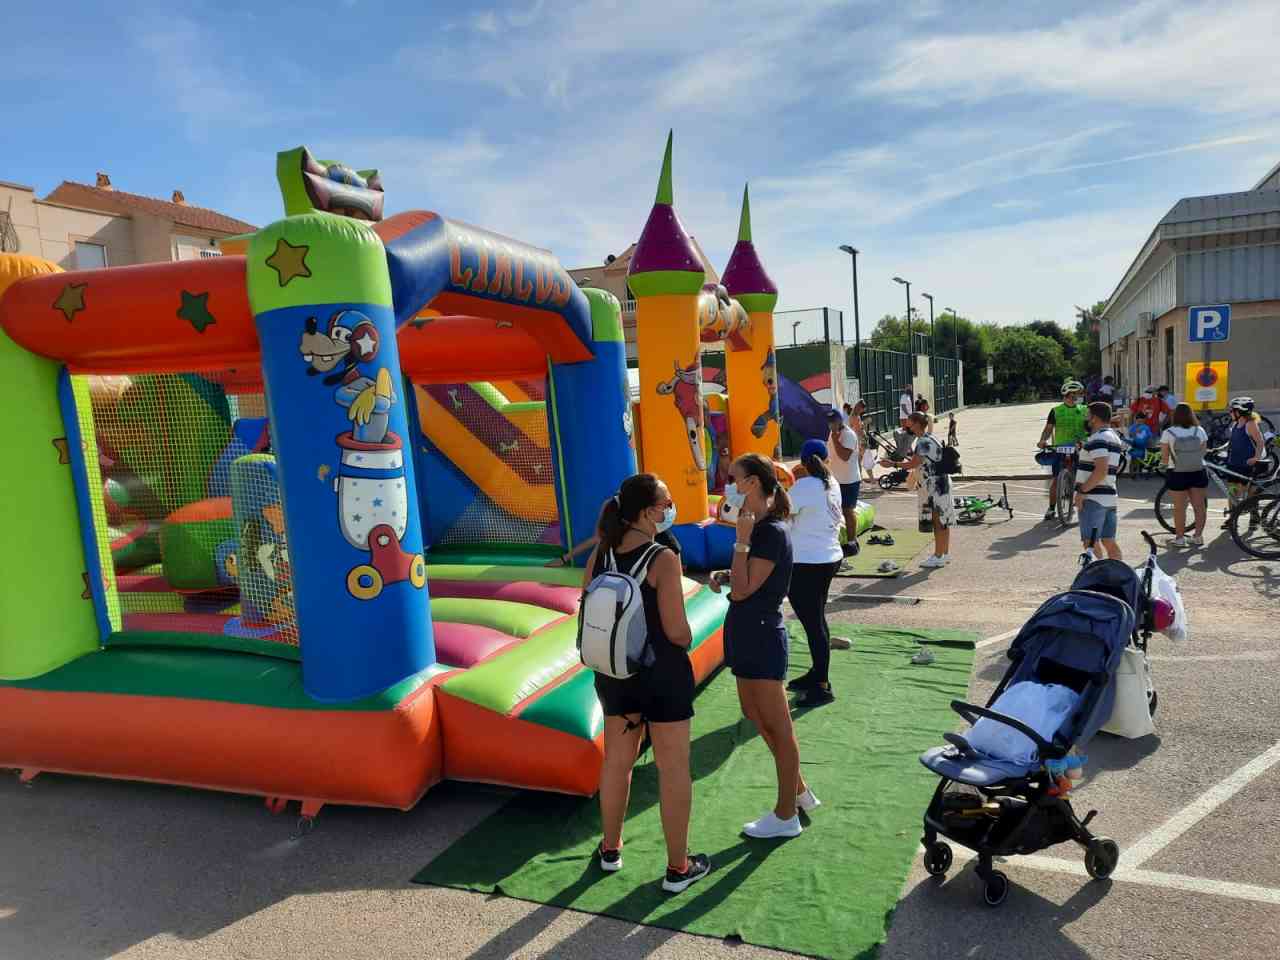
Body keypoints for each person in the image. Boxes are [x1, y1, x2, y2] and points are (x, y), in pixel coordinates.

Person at [582, 474, 710, 893]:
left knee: (617, 763)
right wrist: (688, 637)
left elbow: (588, 608)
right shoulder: (662, 558)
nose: (670, 509)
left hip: (615, 673)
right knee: (673, 769)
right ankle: (678, 868)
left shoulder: (602, 552)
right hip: (662, 675)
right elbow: (676, 631)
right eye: (665, 503)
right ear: (646, 512)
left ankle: (610, 849)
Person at [716, 452, 817, 839]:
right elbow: (747, 580)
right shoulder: (757, 527)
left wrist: (740, 543)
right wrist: (727, 573)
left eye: (734, 478)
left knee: (779, 726)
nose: (728, 486)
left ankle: (786, 814)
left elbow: (745, 590)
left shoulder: (769, 531)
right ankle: (800, 791)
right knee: (752, 711)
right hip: (746, 630)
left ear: (752, 483)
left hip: (760, 633)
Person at [785, 440, 845, 705]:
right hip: (827, 558)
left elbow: (781, 511)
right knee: (817, 620)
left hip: (807, 563)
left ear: (802, 463)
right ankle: (818, 674)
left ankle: (822, 685)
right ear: (826, 459)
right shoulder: (831, 483)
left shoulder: (805, 486)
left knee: (813, 624)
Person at [887, 411, 957, 568]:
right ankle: (944, 553)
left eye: (909, 423)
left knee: (938, 521)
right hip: (942, 482)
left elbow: (913, 463)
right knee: (943, 521)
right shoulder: (930, 437)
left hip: (935, 486)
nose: (907, 426)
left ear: (917, 424)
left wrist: (892, 464)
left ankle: (938, 556)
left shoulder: (922, 442)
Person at [1074, 402, 1125, 561]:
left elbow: (1101, 470)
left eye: (1088, 415)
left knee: (1090, 542)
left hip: (1093, 498)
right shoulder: (1113, 437)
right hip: (1109, 497)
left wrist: (1082, 492)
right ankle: (1118, 572)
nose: (1086, 419)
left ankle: (1099, 572)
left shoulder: (1098, 439)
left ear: (1094, 418)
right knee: (1109, 541)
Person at [1037, 380, 1090, 521]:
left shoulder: (1085, 410)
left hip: (1080, 446)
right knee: (1056, 479)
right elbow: (1048, 429)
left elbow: (1090, 426)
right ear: (1068, 395)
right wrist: (1043, 440)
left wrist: (1089, 439)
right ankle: (1051, 508)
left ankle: (1083, 504)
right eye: (1076, 394)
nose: (1078, 396)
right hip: (1060, 447)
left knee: (1083, 478)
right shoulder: (1056, 411)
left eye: (1079, 394)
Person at [1160, 403, 1208, 548]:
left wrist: (1163, 465)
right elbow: (1203, 452)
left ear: (1175, 415)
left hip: (1177, 473)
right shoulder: (1199, 430)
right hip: (1198, 471)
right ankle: (1198, 536)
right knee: (1199, 507)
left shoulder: (1168, 432)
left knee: (1179, 508)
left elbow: (1165, 457)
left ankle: (1180, 538)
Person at [825, 408, 862, 557]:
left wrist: (835, 439)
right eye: (829, 422)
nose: (831, 424)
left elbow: (844, 456)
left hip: (849, 480)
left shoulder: (848, 435)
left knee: (848, 511)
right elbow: (830, 454)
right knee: (834, 510)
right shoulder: (832, 433)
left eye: (833, 421)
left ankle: (852, 543)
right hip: (835, 479)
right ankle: (837, 541)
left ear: (840, 420)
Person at [1225, 396, 1269, 506]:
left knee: (1248, 495)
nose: (1230, 413)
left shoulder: (1250, 424)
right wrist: (1217, 449)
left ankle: (1253, 513)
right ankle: (1232, 514)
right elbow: (1232, 441)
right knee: (1232, 492)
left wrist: (1256, 457)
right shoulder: (1235, 424)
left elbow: (1260, 442)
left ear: (1239, 411)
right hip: (1234, 463)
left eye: (1231, 411)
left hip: (1246, 465)